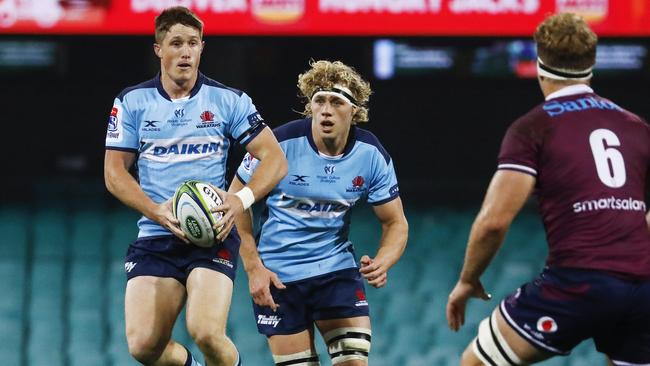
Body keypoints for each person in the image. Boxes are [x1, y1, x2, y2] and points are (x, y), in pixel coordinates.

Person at [446, 12, 650, 366]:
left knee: (474, 363)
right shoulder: (637, 127)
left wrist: (467, 281)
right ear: (591, 65)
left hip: (577, 283)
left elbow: (494, 222)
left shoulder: (533, 128)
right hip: (643, 289)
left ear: (540, 66)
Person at [104, 6, 288, 366]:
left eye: (192, 43)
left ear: (202, 48)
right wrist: (156, 211)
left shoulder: (229, 100)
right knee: (143, 346)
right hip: (156, 235)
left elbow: (275, 159)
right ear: (158, 49)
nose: (185, 52)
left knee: (204, 330)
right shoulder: (132, 102)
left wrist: (240, 199)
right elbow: (115, 174)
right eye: (175, 43)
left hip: (212, 233)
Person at [230, 60, 408, 366]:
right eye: (319, 101)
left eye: (336, 102)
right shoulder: (278, 145)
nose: (325, 110)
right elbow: (235, 203)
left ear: (354, 111)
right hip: (278, 278)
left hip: (334, 273)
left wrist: (383, 260)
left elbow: (395, 223)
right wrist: (253, 268)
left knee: (353, 361)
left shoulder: (371, 155)